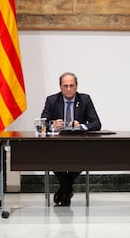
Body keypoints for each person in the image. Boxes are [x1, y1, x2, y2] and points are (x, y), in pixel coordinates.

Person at [41, 72, 101, 206]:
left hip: (79, 145)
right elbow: (42, 123)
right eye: (65, 86)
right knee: (51, 157)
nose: (69, 89)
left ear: (76, 86)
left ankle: (64, 189)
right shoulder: (52, 100)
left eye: (71, 86)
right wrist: (52, 125)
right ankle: (67, 189)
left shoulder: (85, 100)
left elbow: (96, 123)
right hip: (57, 145)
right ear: (60, 87)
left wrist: (81, 126)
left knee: (83, 158)